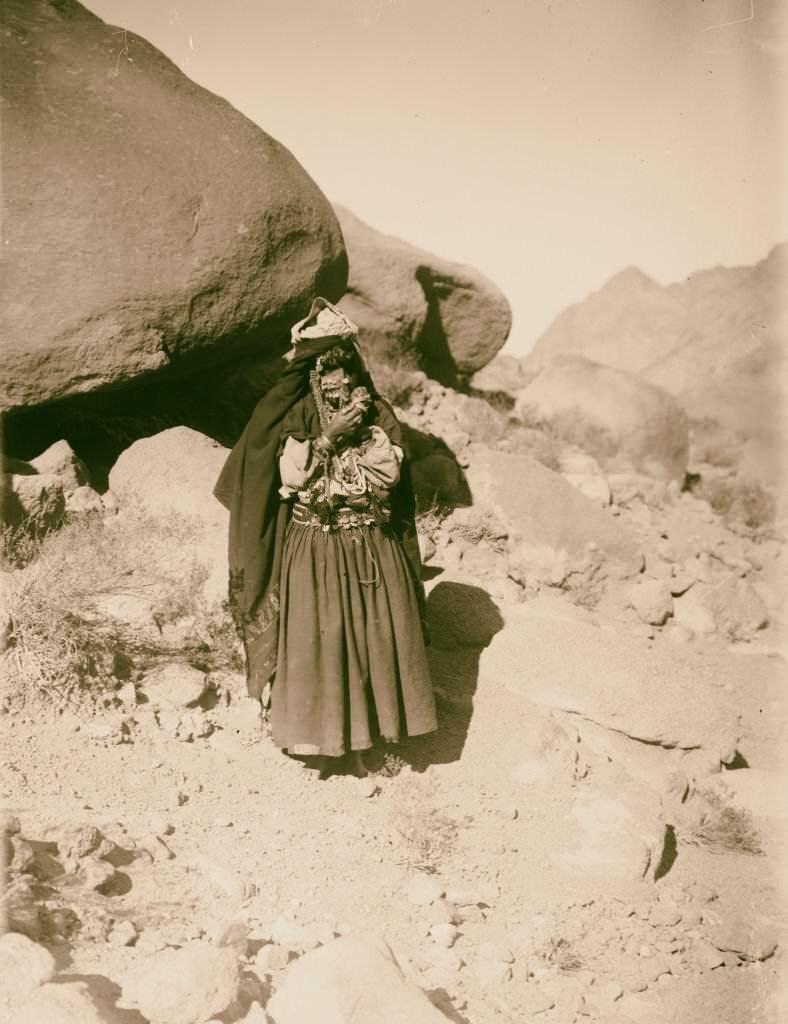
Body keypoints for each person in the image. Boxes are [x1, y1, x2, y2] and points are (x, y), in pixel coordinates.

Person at [213, 298, 437, 776]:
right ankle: (325, 740)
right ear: (313, 376)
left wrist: (365, 432)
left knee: (374, 637)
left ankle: (373, 739)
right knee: (326, 638)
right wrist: (328, 438)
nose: (338, 387)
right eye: (327, 377)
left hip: (370, 543)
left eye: (345, 376)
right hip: (313, 544)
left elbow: (389, 478)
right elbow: (289, 478)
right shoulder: (293, 416)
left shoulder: (378, 412)